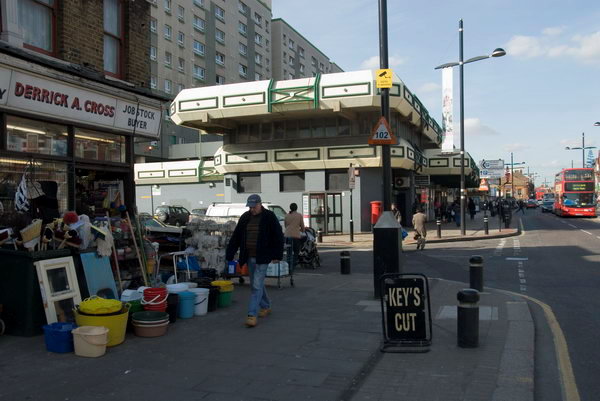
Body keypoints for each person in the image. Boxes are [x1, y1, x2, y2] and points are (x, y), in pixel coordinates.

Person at [226, 194, 283, 328]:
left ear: (259, 204)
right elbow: (237, 236)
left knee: (256, 285)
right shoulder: (245, 217)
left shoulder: (269, 216)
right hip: (249, 257)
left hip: (263, 257)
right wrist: (230, 253)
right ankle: (266, 305)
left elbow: (278, 236)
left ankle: (252, 314)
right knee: (256, 283)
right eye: (250, 207)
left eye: (254, 206)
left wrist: (277, 255)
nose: (252, 209)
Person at [284, 202, 305, 270]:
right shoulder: (299, 215)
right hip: (295, 236)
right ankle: (292, 266)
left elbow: (285, 225)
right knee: (296, 251)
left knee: (289, 252)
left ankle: (288, 266)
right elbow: (302, 227)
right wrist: (302, 230)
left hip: (287, 235)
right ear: (296, 208)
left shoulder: (287, 215)